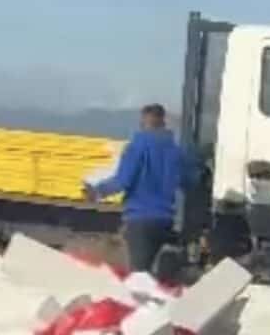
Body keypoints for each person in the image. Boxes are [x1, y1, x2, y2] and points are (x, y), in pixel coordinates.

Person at [83, 104, 199, 273]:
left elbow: (123, 181)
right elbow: (189, 182)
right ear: (163, 122)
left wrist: (97, 191)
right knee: (156, 278)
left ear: (144, 122)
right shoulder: (177, 152)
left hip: (139, 220)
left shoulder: (136, 148)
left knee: (138, 278)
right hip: (166, 222)